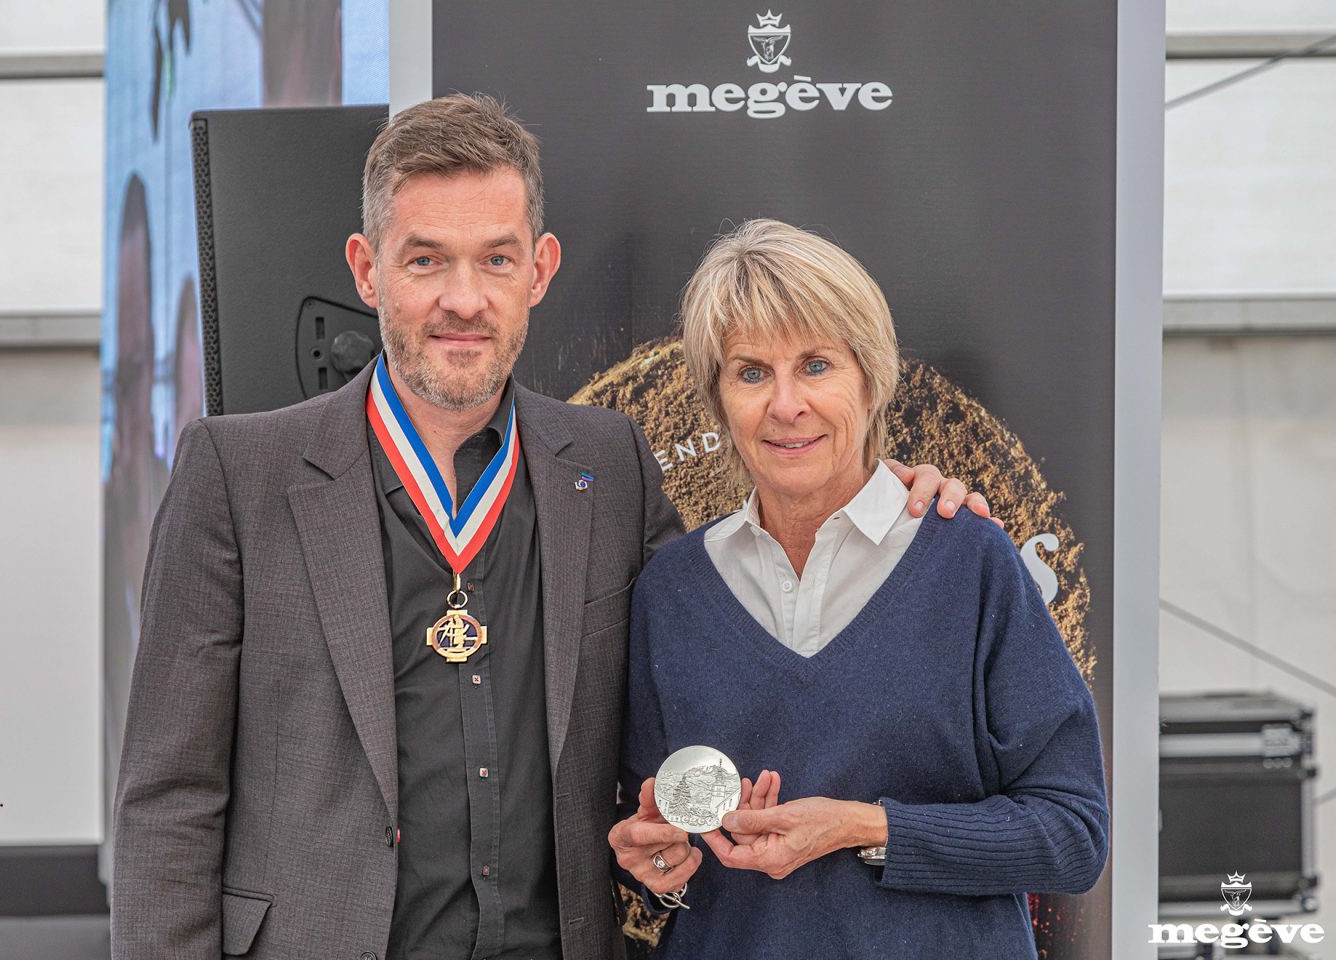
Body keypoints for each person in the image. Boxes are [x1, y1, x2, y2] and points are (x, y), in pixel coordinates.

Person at [111, 96, 988, 960]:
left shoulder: (611, 465)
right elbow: (169, 797)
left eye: (495, 260)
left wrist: (881, 497)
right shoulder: (239, 475)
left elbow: (728, 638)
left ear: (539, 268)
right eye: (426, 262)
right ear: (367, 269)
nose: (465, 299)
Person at [609, 219, 1108, 959]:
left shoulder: (971, 563)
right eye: (751, 372)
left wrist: (863, 827)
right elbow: (657, 843)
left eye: (816, 366)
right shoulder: (672, 592)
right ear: (718, 402)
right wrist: (656, 865)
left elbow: (1072, 836)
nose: (785, 404)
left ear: (870, 380)